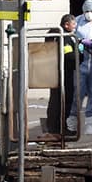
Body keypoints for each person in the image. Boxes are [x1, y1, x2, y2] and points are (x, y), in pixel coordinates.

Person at [38, 14, 77, 142]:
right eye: (73, 23)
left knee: (60, 100)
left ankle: (58, 127)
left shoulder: (61, 36)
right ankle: (57, 129)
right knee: (61, 100)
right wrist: (80, 52)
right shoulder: (63, 37)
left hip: (61, 72)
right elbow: (69, 55)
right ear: (66, 25)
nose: (75, 26)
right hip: (63, 73)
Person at [67, 0, 92, 135]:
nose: (89, 14)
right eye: (87, 11)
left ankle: (91, 125)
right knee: (78, 93)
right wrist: (81, 42)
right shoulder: (78, 21)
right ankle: (72, 122)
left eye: (91, 11)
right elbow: (72, 35)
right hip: (80, 63)